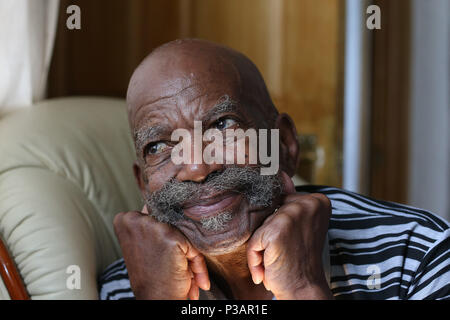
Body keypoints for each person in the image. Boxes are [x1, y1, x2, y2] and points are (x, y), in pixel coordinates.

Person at [98, 39, 450, 300]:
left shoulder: (420, 257)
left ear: (284, 145)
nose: (197, 167)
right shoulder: (128, 287)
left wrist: (303, 289)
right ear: (144, 187)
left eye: (223, 125)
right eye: (158, 147)